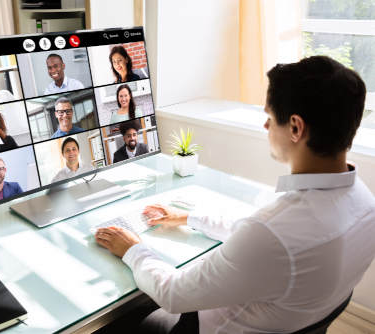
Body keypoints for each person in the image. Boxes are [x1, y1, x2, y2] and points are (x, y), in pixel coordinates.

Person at [95, 56, 375, 333]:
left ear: (295, 127)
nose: (265, 127)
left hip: (202, 327)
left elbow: (173, 295)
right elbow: (267, 242)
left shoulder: (272, 232)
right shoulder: (365, 204)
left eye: (268, 117)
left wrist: (132, 248)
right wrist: (189, 218)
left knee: (119, 316)